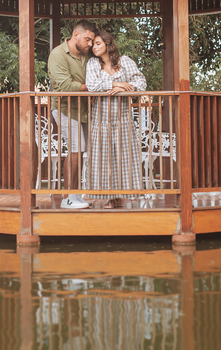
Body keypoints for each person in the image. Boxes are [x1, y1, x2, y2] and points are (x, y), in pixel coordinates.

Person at [85, 30, 147, 209]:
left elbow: (141, 82)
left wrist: (124, 89)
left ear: (107, 44)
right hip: (101, 119)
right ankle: (108, 197)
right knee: (103, 158)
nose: (94, 47)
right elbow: (92, 85)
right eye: (93, 44)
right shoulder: (92, 64)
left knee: (123, 157)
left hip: (123, 120)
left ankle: (120, 197)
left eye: (97, 43)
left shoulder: (125, 61)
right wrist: (115, 84)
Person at [47, 20, 98, 208]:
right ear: (76, 34)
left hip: (83, 109)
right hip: (65, 108)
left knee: (80, 150)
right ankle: (68, 198)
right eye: (87, 39)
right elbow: (65, 86)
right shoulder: (58, 54)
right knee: (76, 149)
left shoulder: (86, 55)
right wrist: (94, 88)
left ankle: (75, 196)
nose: (90, 44)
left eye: (92, 41)